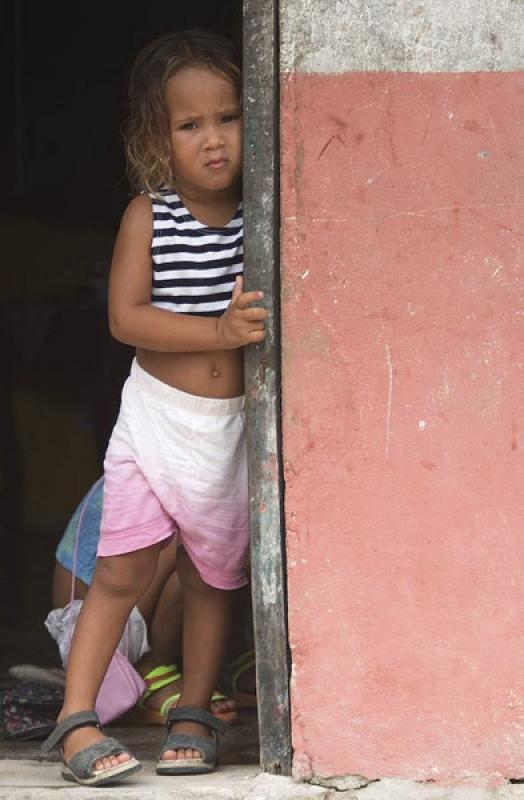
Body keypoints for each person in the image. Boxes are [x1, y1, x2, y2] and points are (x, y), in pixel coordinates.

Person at [42, 28, 266, 787]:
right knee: (122, 568)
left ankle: (194, 712)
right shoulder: (152, 214)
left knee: (212, 577)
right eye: (190, 124)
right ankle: (77, 718)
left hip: (231, 431)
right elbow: (126, 318)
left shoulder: (263, 217)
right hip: (157, 421)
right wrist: (218, 331)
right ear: (156, 139)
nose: (214, 140)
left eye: (229, 117)